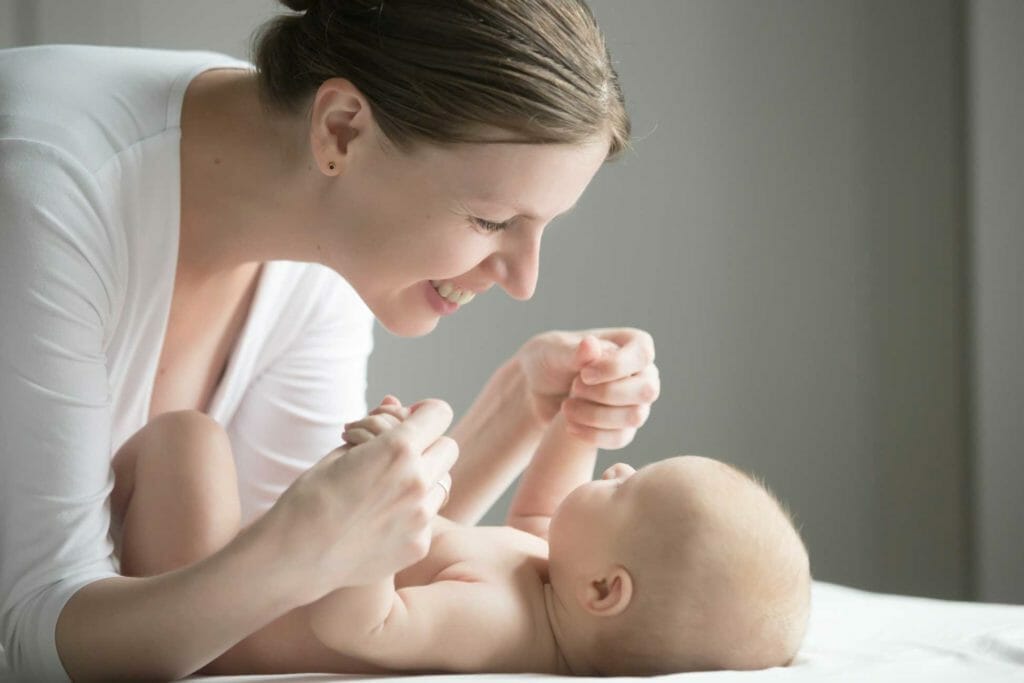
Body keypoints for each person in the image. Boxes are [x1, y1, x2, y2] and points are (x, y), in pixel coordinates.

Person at [0, 0, 662, 680]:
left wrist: (524, 403)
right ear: (342, 130)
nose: (524, 280)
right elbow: (37, 639)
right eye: (492, 220)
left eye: (540, 226)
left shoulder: (320, 238)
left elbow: (313, 582)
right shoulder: (46, 198)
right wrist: (308, 539)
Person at [111, 379, 811, 676]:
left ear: (604, 588)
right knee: (191, 443)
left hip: (217, 626)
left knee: (189, 439)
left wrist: (373, 519)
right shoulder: (550, 579)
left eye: (632, 488)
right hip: (246, 581)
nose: (620, 469)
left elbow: (363, 625)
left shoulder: (496, 619)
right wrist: (576, 422)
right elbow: (542, 515)